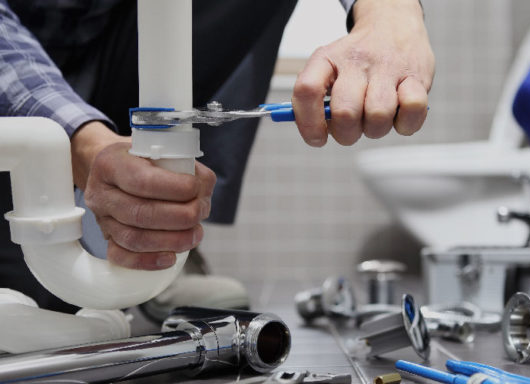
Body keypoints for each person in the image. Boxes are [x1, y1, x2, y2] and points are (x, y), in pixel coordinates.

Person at [0, 0, 435, 313]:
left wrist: (390, 15)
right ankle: (133, 229)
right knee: (37, 306)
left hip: (113, 50)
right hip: (18, 89)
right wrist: (83, 143)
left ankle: (157, 233)